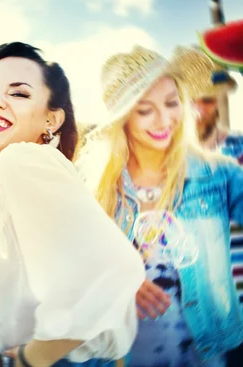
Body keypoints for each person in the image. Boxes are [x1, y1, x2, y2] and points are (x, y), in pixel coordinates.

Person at [0, 41, 145, 366]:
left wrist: (31, 358)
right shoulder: (33, 172)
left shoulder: (18, 160)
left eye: (19, 94)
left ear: (51, 119)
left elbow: (115, 270)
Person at [77, 45, 243, 366]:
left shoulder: (218, 174)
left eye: (171, 103)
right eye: (145, 109)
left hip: (205, 355)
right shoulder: (94, 189)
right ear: (122, 118)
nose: (164, 119)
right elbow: (69, 272)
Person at [172, 46, 243, 367]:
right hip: (199, 313)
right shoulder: (165, 164)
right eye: (191, 99)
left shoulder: (240, 150)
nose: (199, 108)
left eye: (207, 99)